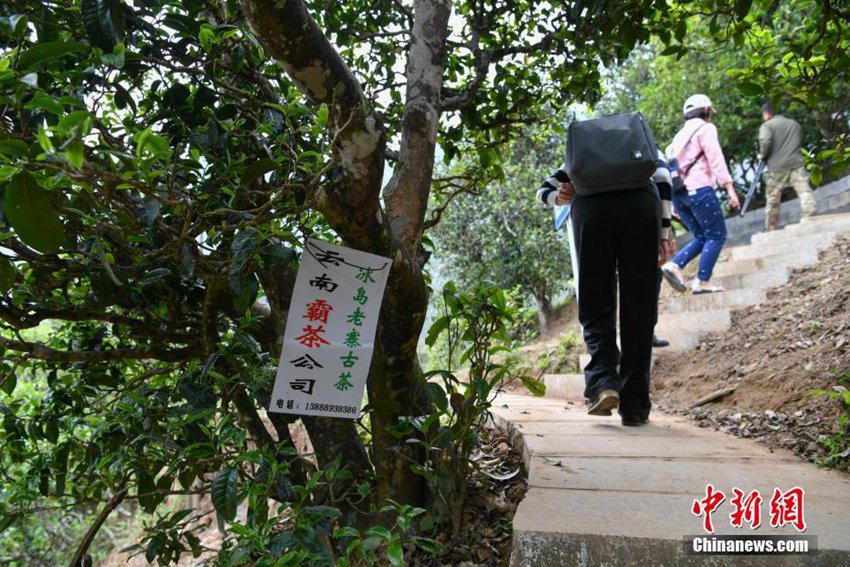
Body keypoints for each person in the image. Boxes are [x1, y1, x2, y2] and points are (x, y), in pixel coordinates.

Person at [537, 141, 674, 426]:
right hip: (641, 209)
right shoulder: (644, 148)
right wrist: (664, 231)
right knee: (639, 306)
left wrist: (559, 199)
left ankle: (603, 383)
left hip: (592, 211)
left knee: (596, 299)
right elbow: (662, 179)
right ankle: (635, 407)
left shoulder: (585, 155)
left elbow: (544, 190)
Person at [661, 94, 739, 295]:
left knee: (702, 237)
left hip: (679, 195)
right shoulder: (706, 129)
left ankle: (674, 265)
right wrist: (729, 188)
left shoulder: (677, 139)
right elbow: (716, 159)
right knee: (717, 235)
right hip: (700, 191)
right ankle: (702, 281)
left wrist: (671, 205)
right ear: (707, 111)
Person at [758, 102, 817, 230]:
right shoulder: (794, 124)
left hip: (776, 166)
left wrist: (763, 155)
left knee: (773, 198)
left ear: (767, 113)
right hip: (796, 163)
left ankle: (772, 227)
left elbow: (766, 141)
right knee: (804, 191)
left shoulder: (767, 125)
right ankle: (810, 216)